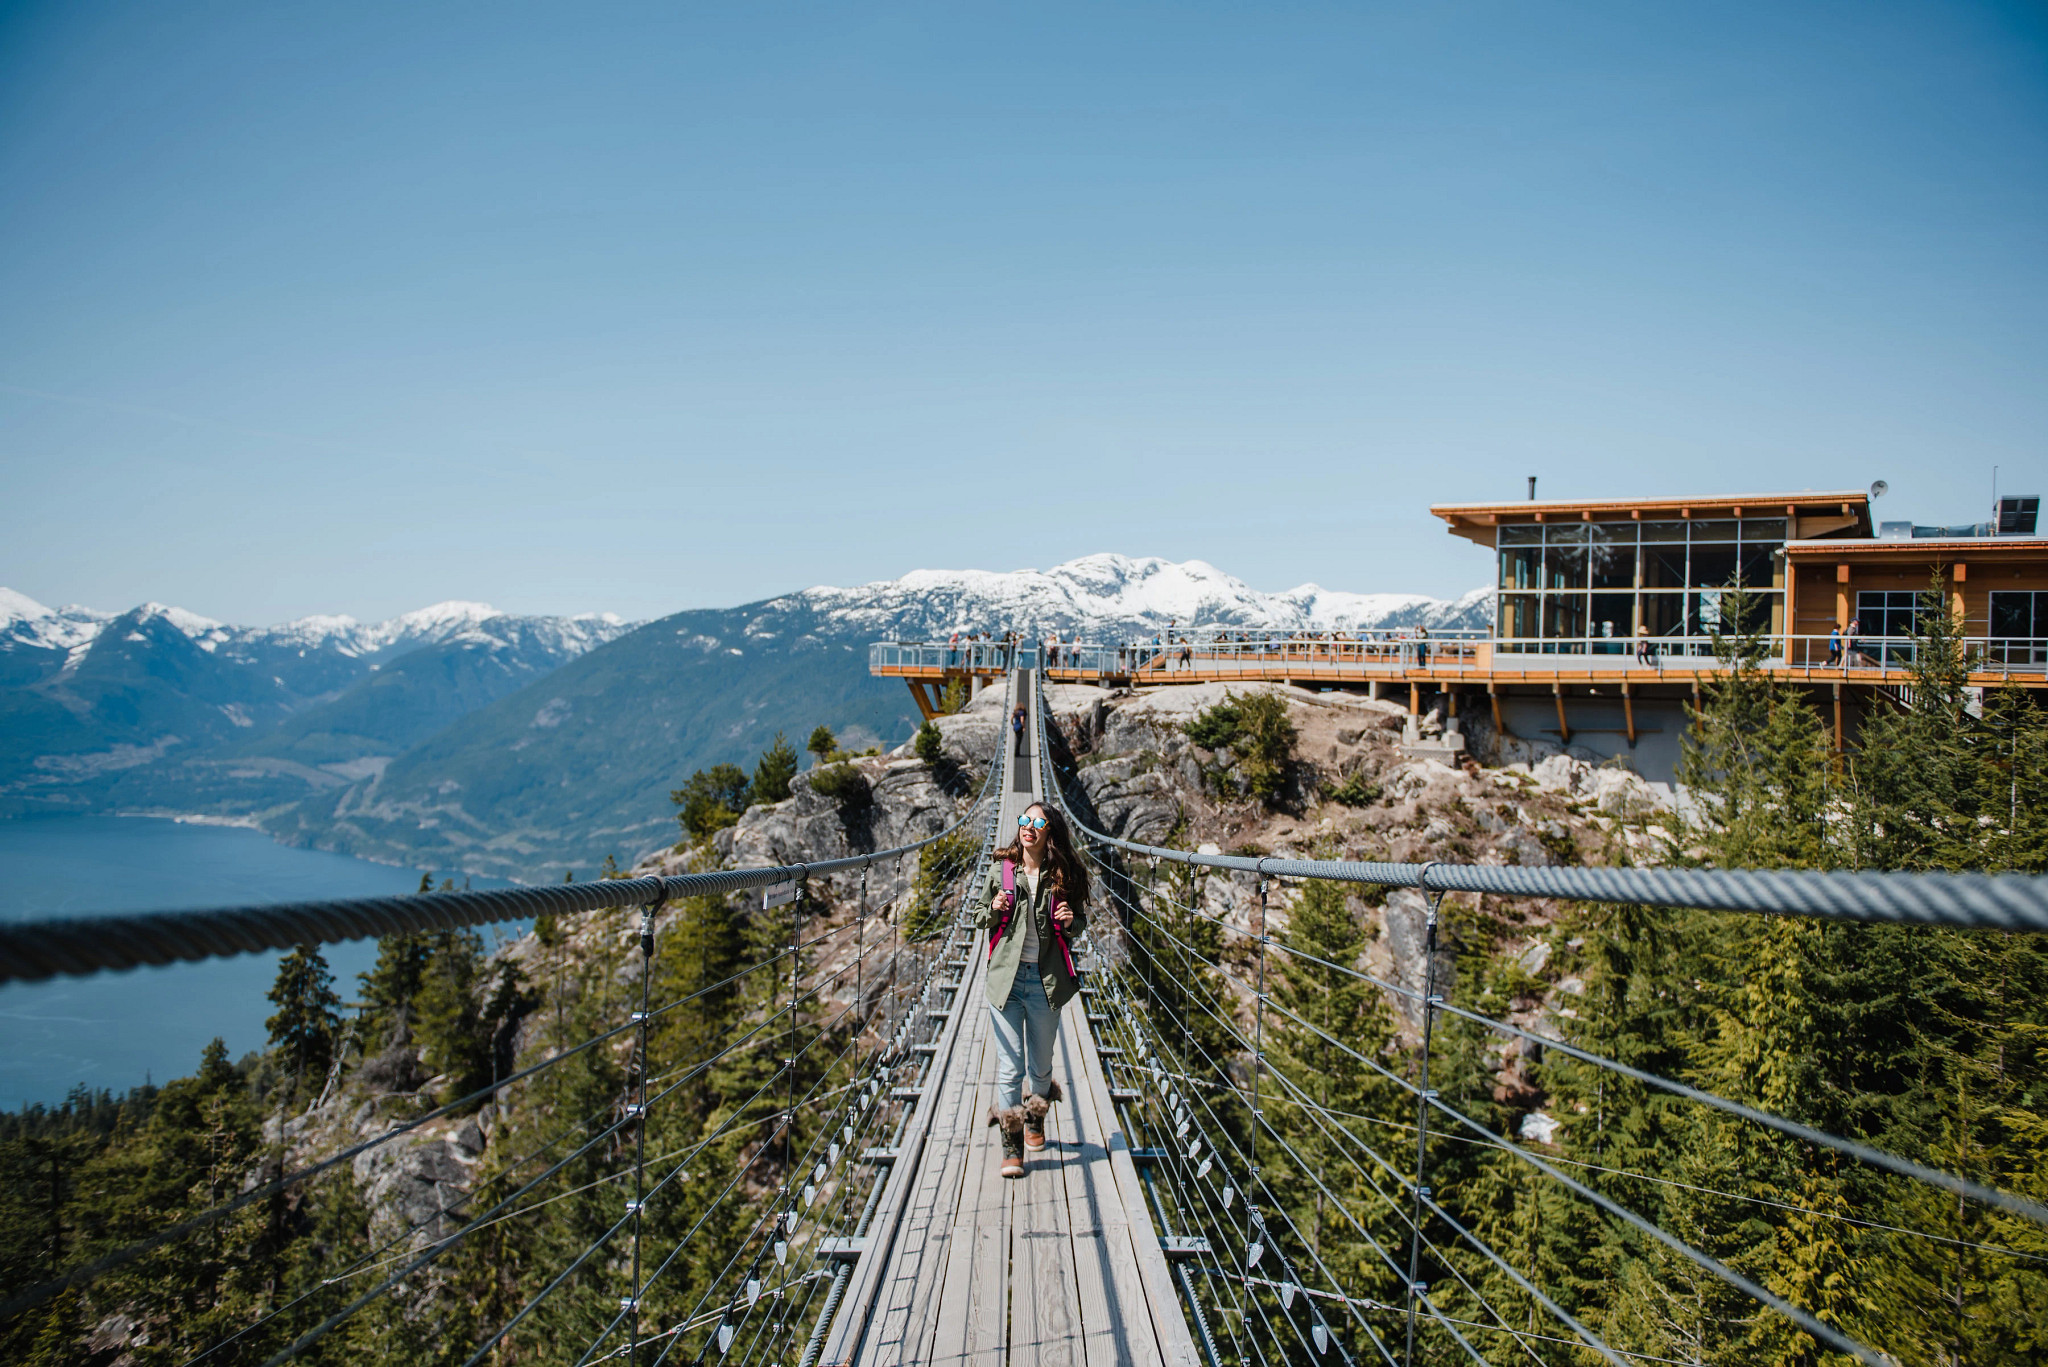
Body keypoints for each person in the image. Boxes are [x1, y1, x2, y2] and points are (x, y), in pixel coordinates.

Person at [976, 803, 1090, 1176]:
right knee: (1010, 1068)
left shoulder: (1063, 875)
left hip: (1046, 983)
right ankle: (1011, 1142)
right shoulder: (1000, 870)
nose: (1028, 826)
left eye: (1037, 822)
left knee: (1040, 1067)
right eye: (1024, 819)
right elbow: (979, 917)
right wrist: (993, 907)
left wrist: (1072, 921)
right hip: (1006, 980)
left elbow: (1079, 923)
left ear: (1049, 832)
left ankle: (1035, 1115)